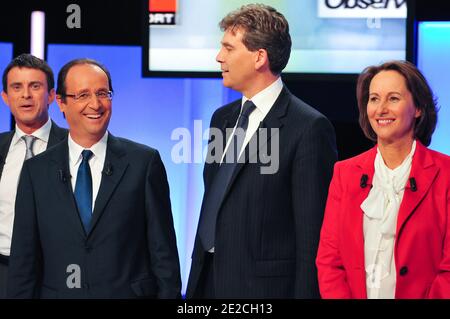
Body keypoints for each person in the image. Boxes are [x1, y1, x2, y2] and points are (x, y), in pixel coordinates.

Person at [187, 4, 337, 298]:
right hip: (207, 284)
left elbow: (312, 239)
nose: (219, 57)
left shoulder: (308, 127)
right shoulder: (223, 118)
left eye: (228, 48)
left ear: (259, 57)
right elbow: (216, 202)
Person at [7, 58, 181, 298]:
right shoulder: (36, 171)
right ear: (61, 102)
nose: (95, 104)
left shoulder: (144, 162)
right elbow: (23, 263)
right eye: (82, 95)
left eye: (103, 93)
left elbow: (165, 257)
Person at [316, 60, 450, 299]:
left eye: (393, 98)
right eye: (374, 98)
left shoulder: (445, 173)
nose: (380, 109)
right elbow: (329, 260)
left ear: (418, 107)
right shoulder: (344, 174)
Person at [0, 54, 67, 298]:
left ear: (51, 95)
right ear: (5, 97)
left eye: (35, 86)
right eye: (16, 87)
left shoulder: (75, 146)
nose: (25, 95)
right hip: (3, 271)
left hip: (57, 275)